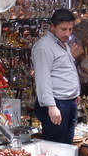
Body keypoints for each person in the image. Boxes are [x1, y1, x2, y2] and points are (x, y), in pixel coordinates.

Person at [32, 9, 80, 144]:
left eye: (70, 29)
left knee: (67, 146)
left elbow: (67, 69)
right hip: (56, 103)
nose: (67, 33)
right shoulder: (44, 47)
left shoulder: (62, 43)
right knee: (55, 147)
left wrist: (76, 93)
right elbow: (43, 78)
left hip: (68, 101)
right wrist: (51, 106)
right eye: (63, 29)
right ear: (52, 27)